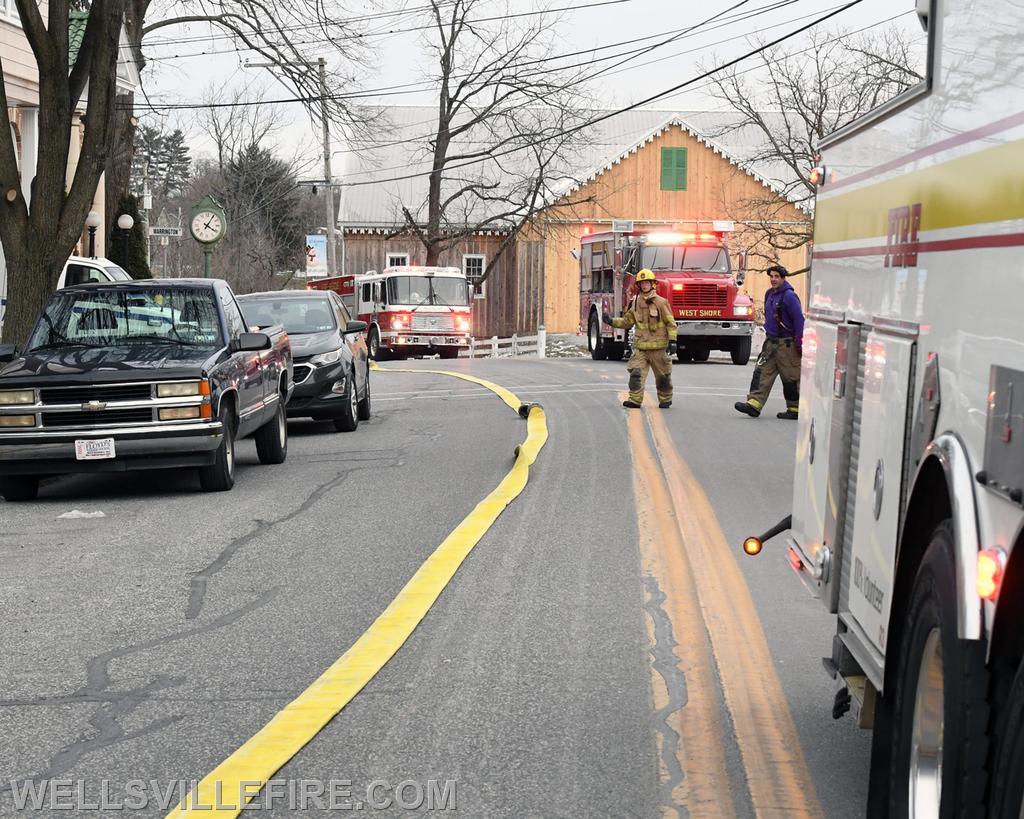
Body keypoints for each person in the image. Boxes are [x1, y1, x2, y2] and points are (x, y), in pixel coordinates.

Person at [734, 264, 804, 420]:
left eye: (776, 277)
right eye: (771, 276)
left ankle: (795, 409)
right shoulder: (769, 294)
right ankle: (753, 405)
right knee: (761, 373)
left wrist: (800, 344)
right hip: (771, 344)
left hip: (787, 345)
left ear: (783, 278)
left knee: (791, 378)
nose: (773, 279)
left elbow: (799, 321)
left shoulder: (790, 297)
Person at [603, 268, 675, 409]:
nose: (644, 285)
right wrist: (610, 321)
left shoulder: (661, 303)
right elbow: (627, 322)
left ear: (652, 284)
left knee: (663, 377)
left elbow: (671, 323)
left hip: (658, 349)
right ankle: (635, 400)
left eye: (647, 283)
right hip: (641, 348)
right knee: (636, 374)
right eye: (642, 283)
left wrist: (673, 341)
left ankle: (665, 399)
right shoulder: (635, 303)